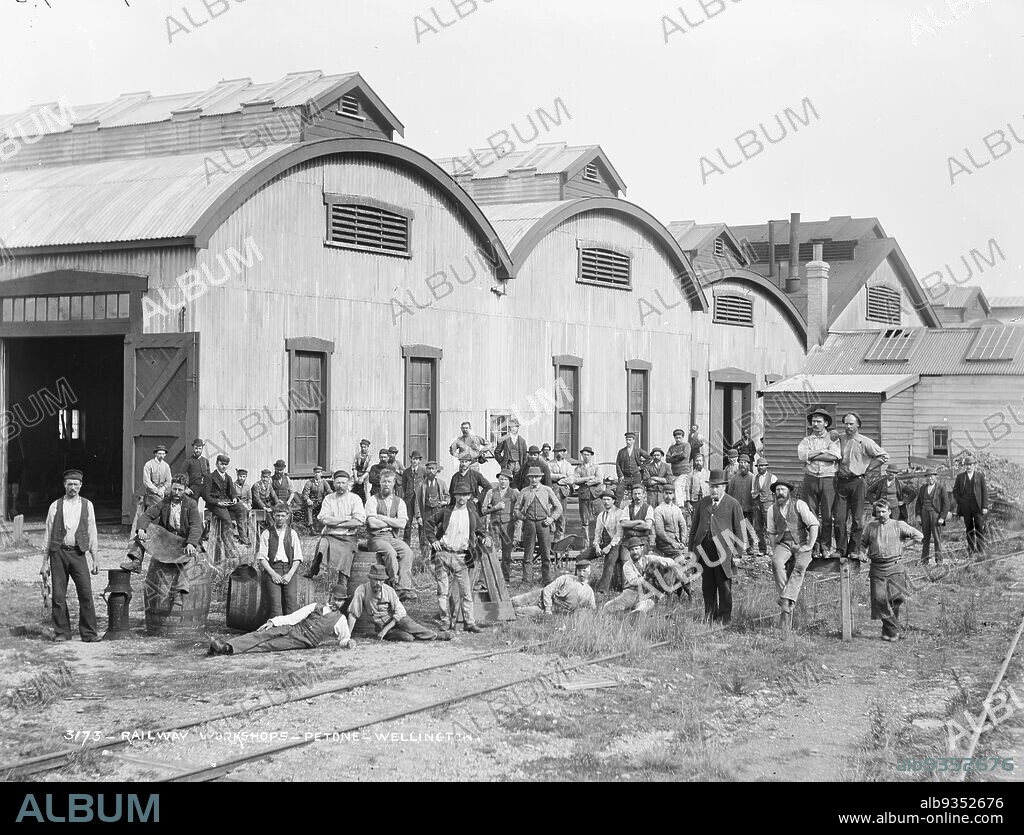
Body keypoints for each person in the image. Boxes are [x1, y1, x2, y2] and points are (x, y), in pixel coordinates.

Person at [208, 584, 352, 655]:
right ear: (330, 597)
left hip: (304, 640)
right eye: (335, 598)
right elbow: (294, 617)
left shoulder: (340, 620)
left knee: (269, 645)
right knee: (263, 634)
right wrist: (273, 622)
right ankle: (225, 645)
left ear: (343, 602)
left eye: (340, 601)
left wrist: (349, 643)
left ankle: (228, 650)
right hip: (294, 628)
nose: (337, 602)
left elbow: (344, 638)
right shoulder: (316, 606)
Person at [41, 469, 99, 642]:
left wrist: (95, 558)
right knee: (58, 595)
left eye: (76, 484)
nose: (72, 487)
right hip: (58, 553)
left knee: (86, 593)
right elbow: (48, 534)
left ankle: (88, 633)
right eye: (69, 484)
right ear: (64, 485)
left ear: (81, 485)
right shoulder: (55, 505)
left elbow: (92, 531)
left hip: (78, 553)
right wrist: (44, 563)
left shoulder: (87, 505)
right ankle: (62, 633)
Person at [688, 469, 744, 624]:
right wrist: (691, 553)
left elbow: (739, 530)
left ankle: (725, 618)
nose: (714, 489)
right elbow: (693, 530)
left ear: (724, 487)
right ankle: (710, 615)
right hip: (704, 550)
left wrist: (738, 554)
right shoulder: (702, 503)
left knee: (724, 585)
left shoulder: (733, 504)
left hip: (724, 552)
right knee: (708, 585)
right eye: (712, 486)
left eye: (717, 486)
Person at [861, 501, 923, 642]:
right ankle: (896, 631)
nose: (881, 514)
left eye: (883, 511)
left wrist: (903, 546)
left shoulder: (898, 525)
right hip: (877, 568)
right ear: (875, 513)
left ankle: (888, 632)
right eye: (878, 512)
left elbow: (919, 536)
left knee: (895, 601)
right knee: (880, 600)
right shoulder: (871, 527)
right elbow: (862, 543)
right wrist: (862, 553)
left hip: (895, 568)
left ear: (889, 511)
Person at [426, 483, 485, 633]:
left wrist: (483, 538)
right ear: (455, 496)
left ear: (470, 496)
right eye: (459, 494)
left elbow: (480, 530)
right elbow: (429, 523)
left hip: (461, 556)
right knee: (443, 591)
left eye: (465, 495)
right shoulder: (446, 512)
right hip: (443, 554)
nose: (462, 498)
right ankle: (446, 621)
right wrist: (433, 540)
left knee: (466, 592)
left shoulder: (472, 513)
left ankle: (469, 622)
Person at [765, 480, 820, 632]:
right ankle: (786, 598)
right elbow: (771, 532)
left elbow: (814, 524)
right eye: (777, 490)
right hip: (783, 543)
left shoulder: (799, 504)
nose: (779, 493)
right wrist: (774, 548)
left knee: (800, 566)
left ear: (789, 491)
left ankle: (785, 599)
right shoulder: (771, 509)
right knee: (776, 562)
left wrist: (809, 545)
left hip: (801, 543)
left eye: (782, 489)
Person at [121, 473, 202, 574]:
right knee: (148, 527)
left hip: (183, 542)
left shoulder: (191, 504)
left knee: (191, 563)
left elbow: (196, 526)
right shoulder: (165, 502)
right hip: (167, 540)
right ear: (171, 488)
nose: (176, 493)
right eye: (174, 489)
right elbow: (146, 515)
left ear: (185, 490)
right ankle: (136, 562)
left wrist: (191, 543)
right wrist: (141, 529)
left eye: (180, 490)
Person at [834, 412, 888, 559]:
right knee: (839, 519)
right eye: (846, 423)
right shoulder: (839, 439)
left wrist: (868, 469)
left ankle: (854, 549)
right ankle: (840, 549)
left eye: (851, 423)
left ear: (858, 425)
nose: (848, 426)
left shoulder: (865, 442)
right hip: (840, 482)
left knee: (857, 519)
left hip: (857, 481)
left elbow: (883, 456)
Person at [348, 565, 446, 641]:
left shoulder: (388, 590)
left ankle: (436, 636)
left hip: (398, 620)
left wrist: (385, 630)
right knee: (407, 638)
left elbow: (400, 612)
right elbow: (353, 613)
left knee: (411, 626)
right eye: (376, 580)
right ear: (370, 578)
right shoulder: (362, 590)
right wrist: (347, 636)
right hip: (381, 626)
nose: (378, 583)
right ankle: (414, 635)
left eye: (381, 580)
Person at [308, 470, 366, 595]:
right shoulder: (329, 498)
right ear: (334, 484)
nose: (340, 486)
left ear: (348, 484)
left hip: (348, 536)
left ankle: (343, 580)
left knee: (346, 551)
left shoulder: (354, 499)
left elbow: (358, 521)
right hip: (330, 535)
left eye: (343, 483)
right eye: (338, 483)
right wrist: (346, 518)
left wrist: (335, 522)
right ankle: (314, 569)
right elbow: (324, 519)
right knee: (322, 544)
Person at [365, 471, 417, 601]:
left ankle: (405, 587)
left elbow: (402, 524)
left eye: (389, 481)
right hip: (376, 538)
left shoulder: (400, 502)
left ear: (394, 483)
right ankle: (395, 584)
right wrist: (392, 521)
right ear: (380, 483)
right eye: (384, 481)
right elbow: (372, 523)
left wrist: (382, 518)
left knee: (407, 552)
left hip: (393, 537)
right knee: (390, 552)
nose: (386, 484)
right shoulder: (372, 500)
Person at [797, 408, 841, 558]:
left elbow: (835, 456)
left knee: (828, 515)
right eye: (813, 421)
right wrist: (822, 452)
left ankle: (826, 547)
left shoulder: (832, 439)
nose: (815, 424)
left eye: (819, 421)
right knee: (811, 515)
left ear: (826, 423)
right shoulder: (806, 440)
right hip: (810, 478)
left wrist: (813, 455)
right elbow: (803, 455)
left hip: (828, 478)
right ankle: (815, 547)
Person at [603, 537, 679, 614]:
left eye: (636, 549)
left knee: (646, 605)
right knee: (607, 607)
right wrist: (647, 576)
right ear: (629, 551)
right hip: (630, 594)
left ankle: (635, 614)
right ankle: (629, 610)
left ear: (641, 548)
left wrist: (663, 563)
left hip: (647, 594)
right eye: (632, 550)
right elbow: (634, 581)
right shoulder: (627, 566)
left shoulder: (650, 559)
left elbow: (671, 561)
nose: (635, 552)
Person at [513, 466, 562, 585]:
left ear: (540, 477)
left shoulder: (547, 490)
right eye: (531, 477)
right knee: (528, 554)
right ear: (528, 478)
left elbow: (558, 507)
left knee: (545, 553)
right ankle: (527, 581)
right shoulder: (524, 491)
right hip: (529, 524)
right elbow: (516, 509)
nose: (534, 479)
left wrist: (551, 519)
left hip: (543, 524)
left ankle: (547, 580)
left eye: (536, 477)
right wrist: (523, 518)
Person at [256, 505, 304, 617]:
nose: (280, 518)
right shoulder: (267, 533)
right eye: (277, 515)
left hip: (288, 569)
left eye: (283, 516)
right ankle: (277, 632)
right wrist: (273, 574)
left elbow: (298, 558)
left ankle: (290, 632)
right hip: (273, 569)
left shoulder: (292, 533)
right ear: (273, 516)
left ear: (287, 516)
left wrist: (290, 574)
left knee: (291, 603)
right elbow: (262, 558)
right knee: (275, 605)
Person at [512, 559, 596, 616]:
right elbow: (548, 589)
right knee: (514, 601)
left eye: (584, 571)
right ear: (576, 571)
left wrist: (548, 611)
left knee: (516, 612)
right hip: (540, 596)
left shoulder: (589, 592)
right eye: (579, 571)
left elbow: (592, 609)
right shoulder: (566, 578)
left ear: (589, 572)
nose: (581, 573)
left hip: (552, 610)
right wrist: (548, 608)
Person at [203, 454, 251, 546]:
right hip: (215, 503)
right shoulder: (209, 477)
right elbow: (206, 496)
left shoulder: (228, 477)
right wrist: (218, 502)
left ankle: (243, 537)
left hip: (227, 501)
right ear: (216, 464)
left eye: (226, 465)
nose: (224, 466)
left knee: (242, 509)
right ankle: (229, 547)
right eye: (221, 464)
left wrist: (233, 498)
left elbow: (232, 492)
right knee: (227, 520)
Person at [481, 468, 519, 582]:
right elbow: (483, 510)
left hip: (508, 525)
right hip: (494, 525)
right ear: (498, 479)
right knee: (493, 550)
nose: (503, 481)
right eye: (501, 479)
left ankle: (505, 578)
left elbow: (519, 508)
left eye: (505, 479)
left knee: (507, 553)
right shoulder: (491, 492)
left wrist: (517, 529)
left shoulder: (514, 493)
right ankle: (493, 577)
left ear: (509, 481)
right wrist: (494, 508)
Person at [586, 490, 625, 594]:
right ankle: (581, 584)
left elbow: (619, 534)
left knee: (609, 562)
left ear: (613, 501)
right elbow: (597, 533)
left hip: (615, 545)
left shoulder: (619, 513)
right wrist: (597, 546)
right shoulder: (601, 515)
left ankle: (602, 590)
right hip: (602, 544)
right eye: (604, 499)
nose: (606, 502)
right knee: (581, 557)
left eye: (608, 499)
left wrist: (609, 547)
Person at [953, 454, 989, 557]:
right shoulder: (960, 477)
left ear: (974, 465)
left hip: (977, 506)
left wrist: (984, 506)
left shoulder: (980, 476)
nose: (968, 467)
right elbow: (955, 490)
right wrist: (960, 501)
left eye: (970, 465)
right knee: (969, 528)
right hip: (965, 507)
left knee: (979, 527)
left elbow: (984, 492)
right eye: (967, 465)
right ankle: (971, 550)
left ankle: (981, 550)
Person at [415, 461, 450, 563]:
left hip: (438, 512)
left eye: (432, 469)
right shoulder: (421, 484)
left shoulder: (441, 483)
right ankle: (425, 560)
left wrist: (445, 502)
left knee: (439, 534)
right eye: (429, 469)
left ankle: (437, 559)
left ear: (436, 470)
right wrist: (418, 516)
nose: (430, 471)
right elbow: (417, 501)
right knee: (425, 536)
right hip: (426, 512)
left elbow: (448, 496)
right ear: (426, 470)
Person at [915, 469, 952, 566]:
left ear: (936, 477)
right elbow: (918, 503)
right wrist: (918, 516)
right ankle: (924, 560)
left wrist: (942, 517)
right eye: (928, 476)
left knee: (936, 538)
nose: (930, 478)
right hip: (924, 514)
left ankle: (939, 560)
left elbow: (946, 504)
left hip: (935, 515)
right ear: (926, 478)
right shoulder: (923, 488)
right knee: (925, 538)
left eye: (932, 476)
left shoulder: (941, 488)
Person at [727, 454, 756, 558]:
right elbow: (730, 493)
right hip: (737, 508)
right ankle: (737, 548)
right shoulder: (734, 478)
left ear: (748, 464)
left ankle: (750, 547)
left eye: (745, 462)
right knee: (736, 528)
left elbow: (755, 493)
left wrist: (754, 506)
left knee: (749, 528)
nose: (742, 464)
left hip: (749, 507)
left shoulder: (753, 478)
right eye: (741, 462)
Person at [573, 446, 603, 545]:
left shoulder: (596, 467)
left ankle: (600, 542)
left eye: (588, 455)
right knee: (585, 521)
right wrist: (589, 478)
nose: (586, 457)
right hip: (583, 497)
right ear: (582, 455)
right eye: (584, 454)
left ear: (591, 456)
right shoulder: (578, 468)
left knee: (600, 518)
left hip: (595, 496)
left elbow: (599, 479)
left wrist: (586, 482)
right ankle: (586, 544)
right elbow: (576, 480)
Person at [750, 456, 777, 558]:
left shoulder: (773, 478)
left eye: (762, 466)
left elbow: (775, 493)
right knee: (758, 528)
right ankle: (762, 549)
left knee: (770, 528)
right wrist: (755, 494)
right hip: (757, 506)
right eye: (758, 466)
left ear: (766, 466)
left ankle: (774, 549)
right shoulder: (754, 478)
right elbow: (752, 491)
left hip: (768, 505)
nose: (760, 467)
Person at [615, 431, 648, 504]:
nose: (628, 442)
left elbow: (649, 458)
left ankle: (635, 508)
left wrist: (641, 467)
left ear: (633, 440)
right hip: (625, 477)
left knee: (637, 493)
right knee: (619, 491)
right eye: (627, 440)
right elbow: (618, 464)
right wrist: (620, 475)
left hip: (636, 476)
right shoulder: (621, 451)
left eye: (630, 440)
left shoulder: (638, 450)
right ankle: (616, 509)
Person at [549, 444, 574, 540]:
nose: (559, 453)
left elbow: (571, 479)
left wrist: (560, 481)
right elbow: (548, 475)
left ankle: (560, 537)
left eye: (561, 451)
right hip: (553, 490)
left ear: (564, 452)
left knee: (562, 515)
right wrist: (561, 476)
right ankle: (551, 538)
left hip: (563, 492)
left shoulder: (568, 465)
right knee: (551, 512)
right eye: (557, 452)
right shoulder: (550, 463)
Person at [401, 452, 426, 545]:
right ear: (410, 459)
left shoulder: (423, 471)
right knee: (408, 522)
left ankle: (422, 544)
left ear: (419, 460)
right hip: (409, 499)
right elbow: (404, 485)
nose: (415, 461)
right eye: (413, 459)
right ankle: (406, 544)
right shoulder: (406, 472)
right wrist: (408, 494)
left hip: (419, 500)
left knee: (421, 522)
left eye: (417, 459)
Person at [621, 481, 655, 549]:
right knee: (624, 559)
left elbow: (647, 526)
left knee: (639, 557)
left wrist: (630, 525)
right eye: (635, 494)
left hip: (642, 540)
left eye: (639, 494)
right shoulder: (627, 507)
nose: (637, 496)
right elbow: (623, 524)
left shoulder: (649, 508)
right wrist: (639, 521)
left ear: (644, 494)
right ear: (632, 495)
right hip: (629, 539)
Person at [141, 444, 172, 510]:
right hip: (151, 493)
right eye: (159, 454)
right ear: (155, 454)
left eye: (163, 454)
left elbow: (169, 480)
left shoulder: (166, 466)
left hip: (163, 492)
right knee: (157, 507)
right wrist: (157, 491)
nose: (161, 456)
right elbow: (146, 481)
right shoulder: (149, 464)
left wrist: (163, 489)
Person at [681, 452, 710, 521]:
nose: (698, 462)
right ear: (694, 462)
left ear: (703, 462)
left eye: (700, 460)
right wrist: (688, 502)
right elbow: (687, 488)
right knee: (695, 518)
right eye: (697, 461)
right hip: (695, 501)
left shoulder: (708, 473)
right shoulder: (691, 474)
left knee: (705, 518)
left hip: (706, 499)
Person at [666, 429, 692, 505]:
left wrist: (674, 455)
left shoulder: (686, 445)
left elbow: (685, 455)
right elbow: (667, 459)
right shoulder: (671, 447)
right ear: (674, 438)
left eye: (680, 437)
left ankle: (680, 505)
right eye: (676, 437)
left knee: (677, 485)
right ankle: (674, 504)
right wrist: (678, 455)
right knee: (673, 487)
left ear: (683, 437)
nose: (678, 439)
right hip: (674, 472)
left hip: (684, 471)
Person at [301, 465, 330, 530]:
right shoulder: (309, 483)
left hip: (321, 502)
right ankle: (311, 526)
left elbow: (329, 491)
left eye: (319, 472)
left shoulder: (324, 482)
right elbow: (305, 494)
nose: (317, 474)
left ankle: (324, 526)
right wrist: (308, 499)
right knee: (309, 508)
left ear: (321, 473)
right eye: (315, 472)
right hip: (312, 502)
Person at [184, 438, 210, 502]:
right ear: (193, 448)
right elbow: (180, 475)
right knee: (193, 505)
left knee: (212, 501)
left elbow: (209, 476)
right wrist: (185, 488)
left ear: (202, 449)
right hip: (194, 487)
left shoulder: (205, 461)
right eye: (196, 448)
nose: (198, 450)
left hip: (205, 487)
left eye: (199, 448)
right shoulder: (188, 461)